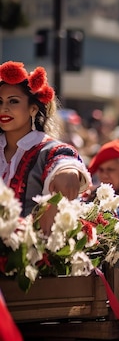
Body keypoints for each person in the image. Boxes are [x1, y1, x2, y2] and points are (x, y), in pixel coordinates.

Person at [0, 61, 91, 233]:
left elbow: (63, 159)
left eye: (13, 102)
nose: (4, 108)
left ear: (33, 109)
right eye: (0, 101)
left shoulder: (46, 150)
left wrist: (68, 170)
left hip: (28, 255)